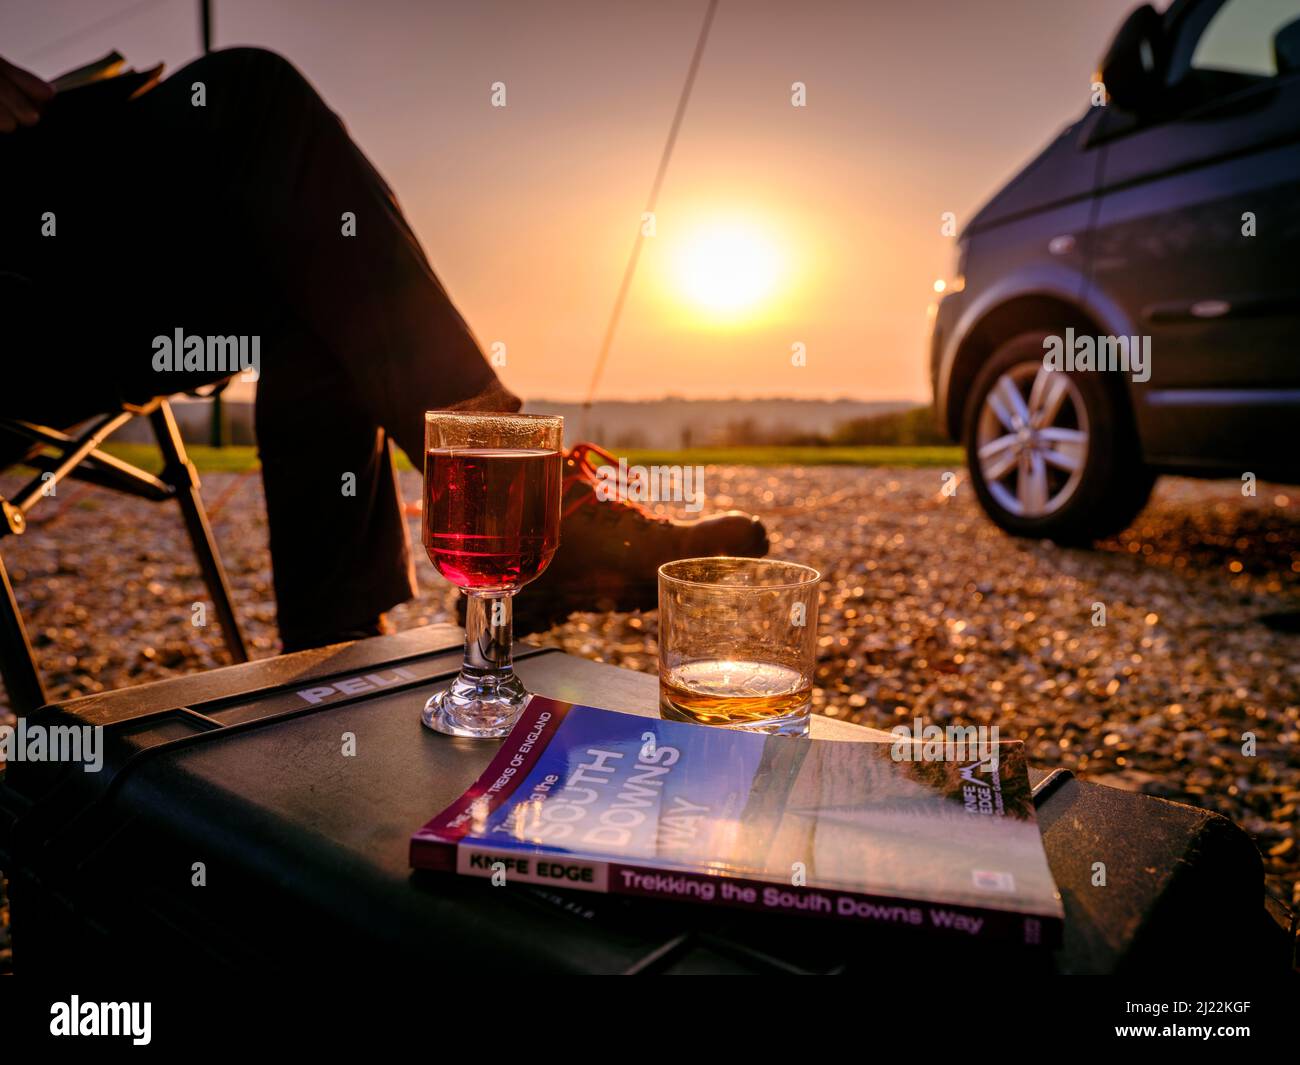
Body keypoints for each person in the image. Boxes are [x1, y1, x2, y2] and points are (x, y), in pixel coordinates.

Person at [0, 48, 766, 650]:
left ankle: (337, 658)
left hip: (71, 277)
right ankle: (512, 527)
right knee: (253, 99)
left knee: (311, 246)